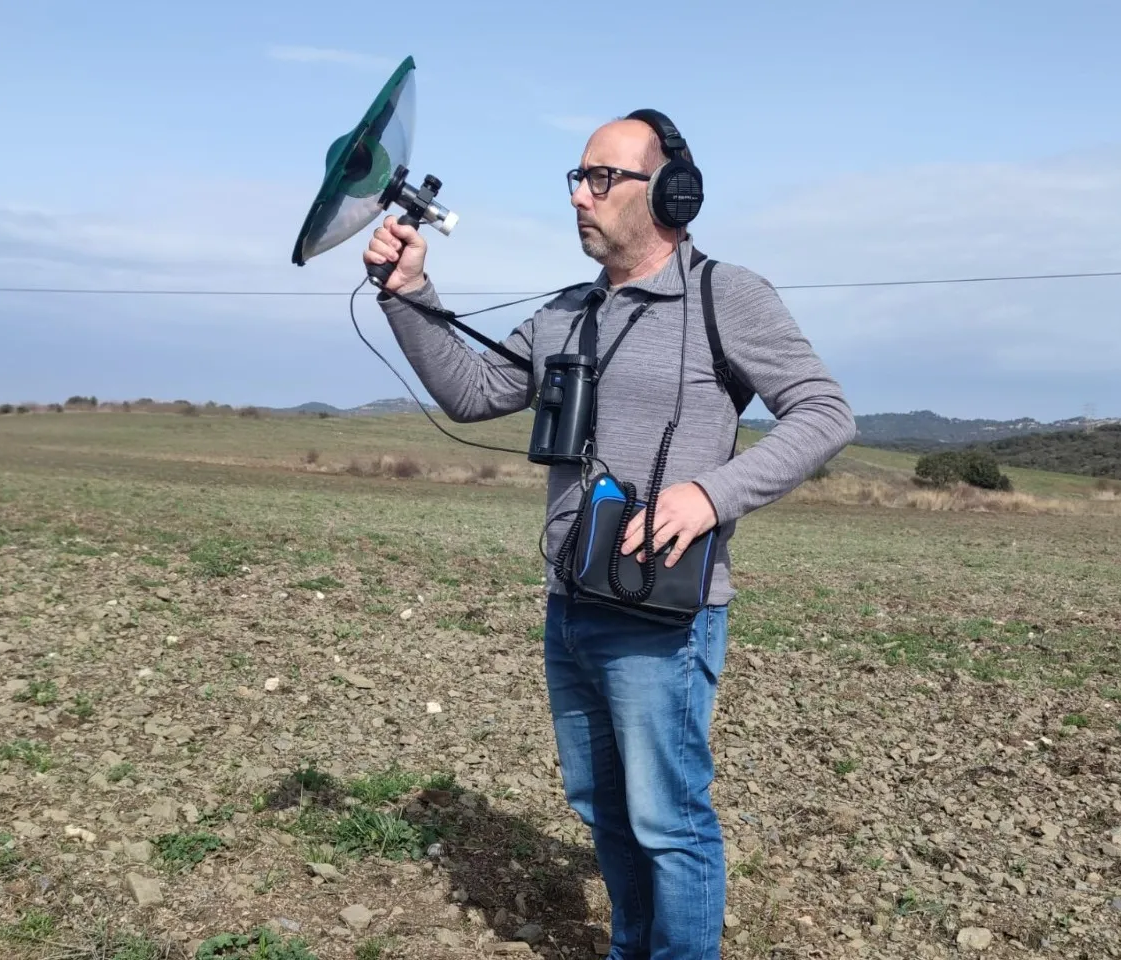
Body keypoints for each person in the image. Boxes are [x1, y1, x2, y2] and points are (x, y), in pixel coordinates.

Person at [364, 110, 855, 960]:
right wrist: (410, 296)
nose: (580, 198)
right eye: (576, 179)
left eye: (602, 179)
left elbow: (826, 413)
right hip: (571, 602)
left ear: (670, 191)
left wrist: (713, 494)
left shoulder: (722, 296)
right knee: (603, 808)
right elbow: (474, 393)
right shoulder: (566, 314)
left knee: (669, 821)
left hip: (661, 615)